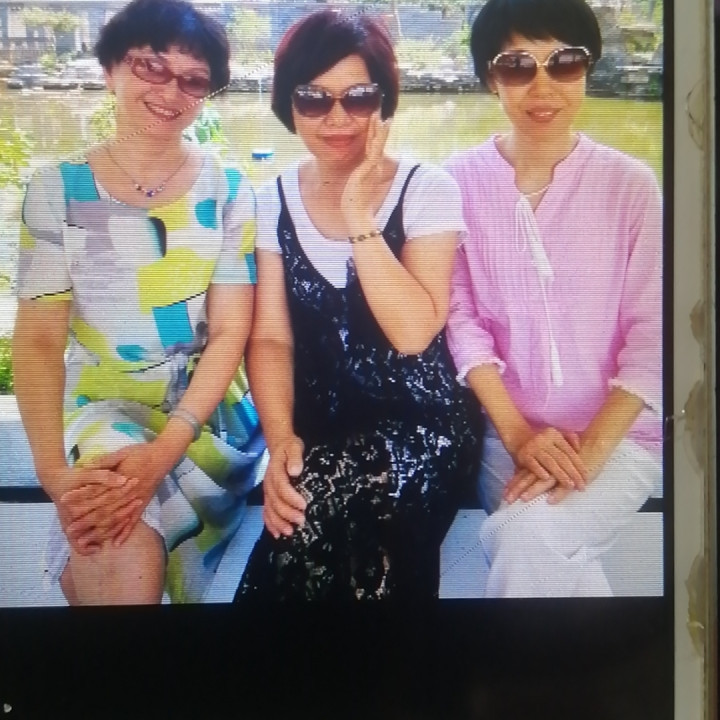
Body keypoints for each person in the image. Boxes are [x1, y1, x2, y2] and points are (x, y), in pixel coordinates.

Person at [12, 0, 265, 605]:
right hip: (105, 402)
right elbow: (39, 341)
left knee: (120, 520)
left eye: (193, 79)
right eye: (151, 66)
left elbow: (230, 333)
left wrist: (165, 450)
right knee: (107, 522)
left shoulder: (229, 190)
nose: (170, 91)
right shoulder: (56, 190)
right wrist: (54, 474)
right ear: (110, 71)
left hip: (207, 419)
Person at [234, 9, 481, 602]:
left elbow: (414, 332)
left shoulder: (427, 188)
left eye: (359, 97)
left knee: (308, 518)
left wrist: (358, 217)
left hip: (422, 424)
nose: (337, 117)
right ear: (288, 105)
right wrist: (280, 438)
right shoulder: (269, 200)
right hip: (319, 431)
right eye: (314, 99)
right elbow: (270, 339)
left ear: (384, 102)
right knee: (315, 511)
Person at [445, 0, 662, 597]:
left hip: (621, 437)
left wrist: (589, 454)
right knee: (538, 545)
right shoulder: (455, 183)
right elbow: (462, 323)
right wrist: (519, 436)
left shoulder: (632, 186)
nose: (543, 86)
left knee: (525, 539)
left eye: (564, 63)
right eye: (517, 65)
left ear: (587, 69)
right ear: (491, 78)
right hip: (508, 436)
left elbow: (654, 335)